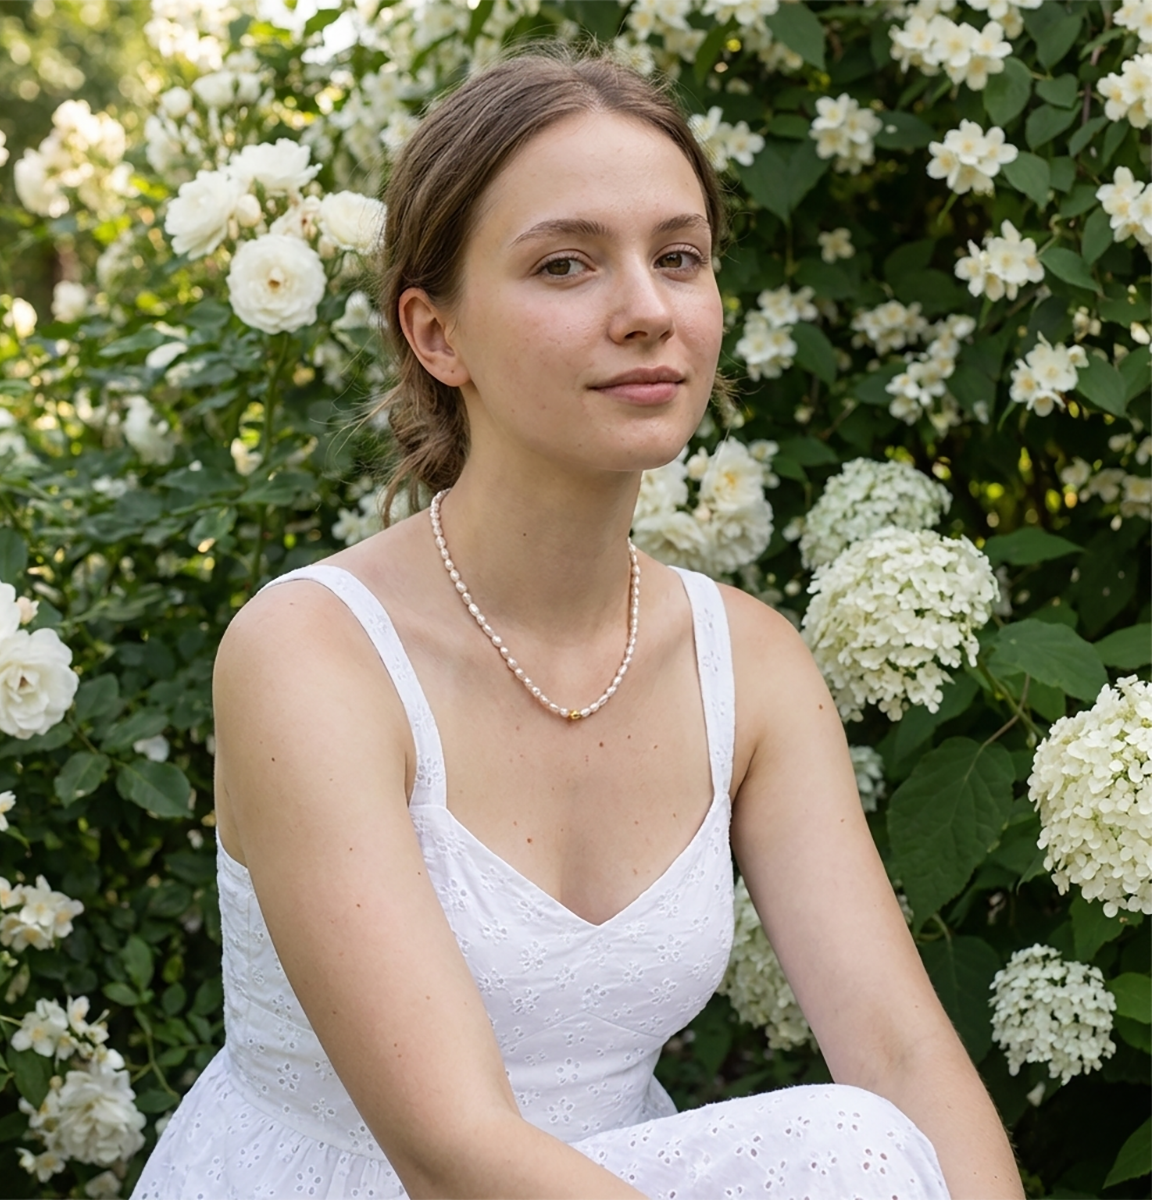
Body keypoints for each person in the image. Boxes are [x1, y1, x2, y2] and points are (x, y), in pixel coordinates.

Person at [133, 48, 1025, 1200]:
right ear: (434, 334)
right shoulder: (312, 655)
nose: (648, 311)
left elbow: (904, 1057)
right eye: (566, 265)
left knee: (861, 1144)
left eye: (679, 258)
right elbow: (450, 1150)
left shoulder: (747, 664)